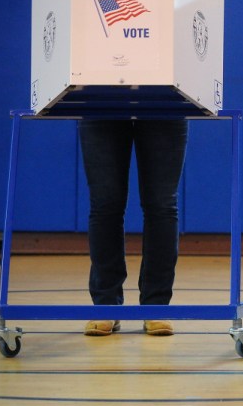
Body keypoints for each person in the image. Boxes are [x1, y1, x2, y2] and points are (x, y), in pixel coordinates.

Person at [79, 119, 188, 336]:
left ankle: (156, 305)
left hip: (165, 102)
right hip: (100, 100)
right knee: (104, 205)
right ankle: (105, 304)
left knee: (162, 206)